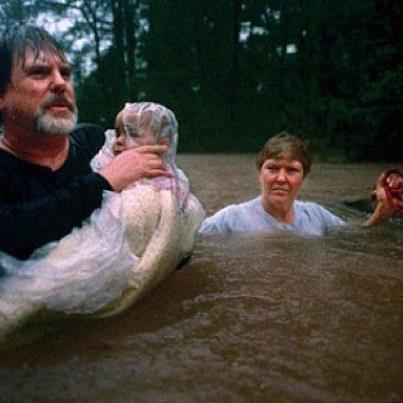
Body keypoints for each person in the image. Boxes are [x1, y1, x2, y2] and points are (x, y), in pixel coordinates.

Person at [0, 25, 170, 259]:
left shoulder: (96, 143)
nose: (61, 83)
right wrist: (104, 181)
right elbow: (11, 233)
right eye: (39, 72)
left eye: (66, 73)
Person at [200, 131, 397, 235]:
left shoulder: (317, 216)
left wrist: (383, 211)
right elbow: (186, 244)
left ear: (304, 177)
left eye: (292, 170)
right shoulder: (229, 219)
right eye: (273, 168)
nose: (281, 178)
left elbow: (358, 235)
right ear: (260, 172)